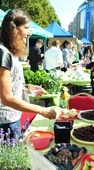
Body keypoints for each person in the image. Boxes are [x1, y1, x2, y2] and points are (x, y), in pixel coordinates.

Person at [0, 9, 56, 139]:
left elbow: (9, 85)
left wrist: (27, 88)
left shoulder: (9, 53)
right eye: (26, 28)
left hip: (11, 121)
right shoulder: (3, 53)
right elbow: (6, 98)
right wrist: (41, 110)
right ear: (13, 29)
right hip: (5, 124)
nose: (29, 32)